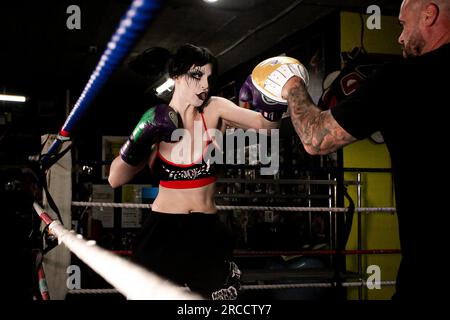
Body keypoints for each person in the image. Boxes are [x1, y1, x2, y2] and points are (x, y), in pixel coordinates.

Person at [248, 0, 450, 300]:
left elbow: (316, 138)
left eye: (403, 25)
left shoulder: (402, 80)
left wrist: (290, 84)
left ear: (429, 15)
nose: (400, 37)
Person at [108, 43, 284, 299]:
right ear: (176, 75)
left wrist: (272, 102)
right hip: (161, 230)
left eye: (208, 78)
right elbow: (115, 179)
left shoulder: (216, 109)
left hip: (205, 230)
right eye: (196, 75)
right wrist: (140, 137)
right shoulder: (156, 120)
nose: (204, 86)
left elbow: (266, 127)